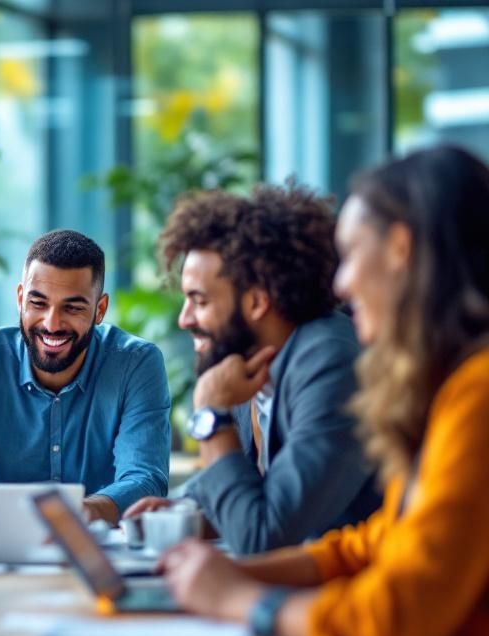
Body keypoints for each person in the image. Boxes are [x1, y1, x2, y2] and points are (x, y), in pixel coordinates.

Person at [88, 145, 489, 636]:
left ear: (402, 248)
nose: (341, 283)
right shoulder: (455, 386)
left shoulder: (476, 395)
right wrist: (233, 579)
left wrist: (242, 600)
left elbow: (397, 613)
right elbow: (373, 543)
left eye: (354, 255)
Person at [124, 182, 380, 555]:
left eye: (199, 300)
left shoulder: (330, 360)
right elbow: (246, 486)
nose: (184, 319)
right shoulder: (250, 359)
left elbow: (263, 535)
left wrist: (211, 414)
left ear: (257, 301)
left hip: (363, 596)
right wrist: (186, 508)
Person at [0, 229, 170, 526]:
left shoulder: (136, 364)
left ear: (100, 309)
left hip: (99, 542)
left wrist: (85, 512)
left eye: (72, 307)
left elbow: (146, 478)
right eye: (38, 303)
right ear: (20, 299)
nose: (52, 323)